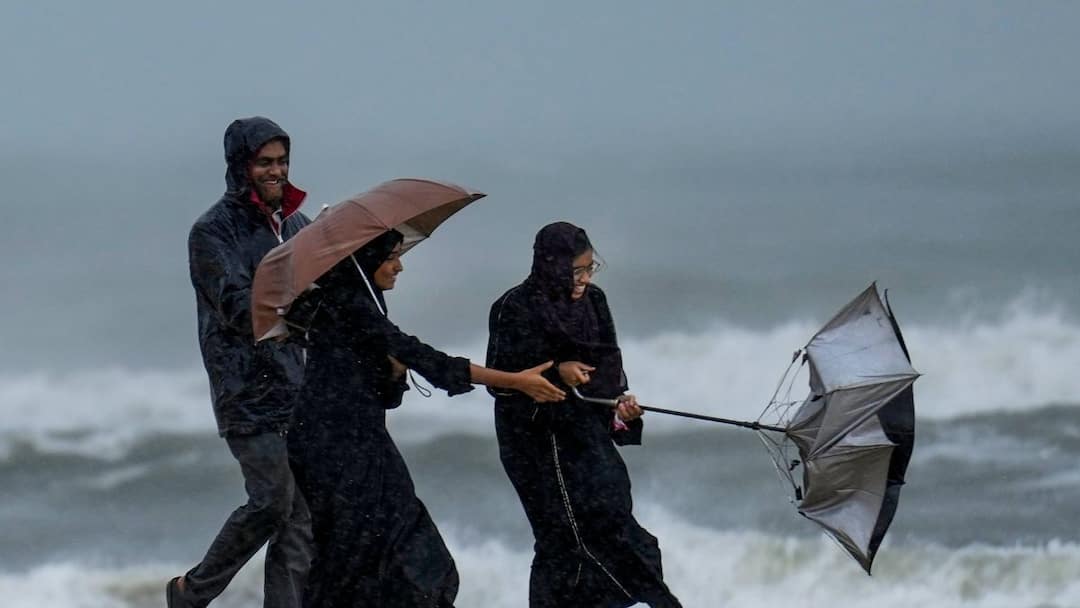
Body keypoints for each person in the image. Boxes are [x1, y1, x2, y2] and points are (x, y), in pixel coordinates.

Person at [286, 228, 565, 608]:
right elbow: (431, 361)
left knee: (403, 551)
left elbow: (384, 394)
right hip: (331, 449)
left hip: (362, 443)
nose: (400, 266)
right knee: (348, 561)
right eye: (392, 257)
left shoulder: (364, 304)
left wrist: (396, 373)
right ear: (367, 261)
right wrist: (515, 381)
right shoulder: (348, 305)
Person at [486, 221, 681, 608]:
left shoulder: (595, 301)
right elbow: (499, 382)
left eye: (591, 268)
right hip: (537, 443)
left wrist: (622, 410)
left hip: (587, 437)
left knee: (616, 523)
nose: (585, 278)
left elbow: (607, 371)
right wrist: (557, 370)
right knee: (567, 541)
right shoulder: (513, 307)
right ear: (552, 266)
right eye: (576, 271)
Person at [169, 117, 314, 608]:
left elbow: (326, 298)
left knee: (300, 520)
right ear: (241, 166)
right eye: (265, 162)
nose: (276, 171)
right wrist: (292, 299)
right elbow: (235, 307)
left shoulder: (296, 225)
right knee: (273, 501)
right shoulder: (211, 233)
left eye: (282, 161)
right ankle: (191, 592)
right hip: (245, 391)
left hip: (296, 386)